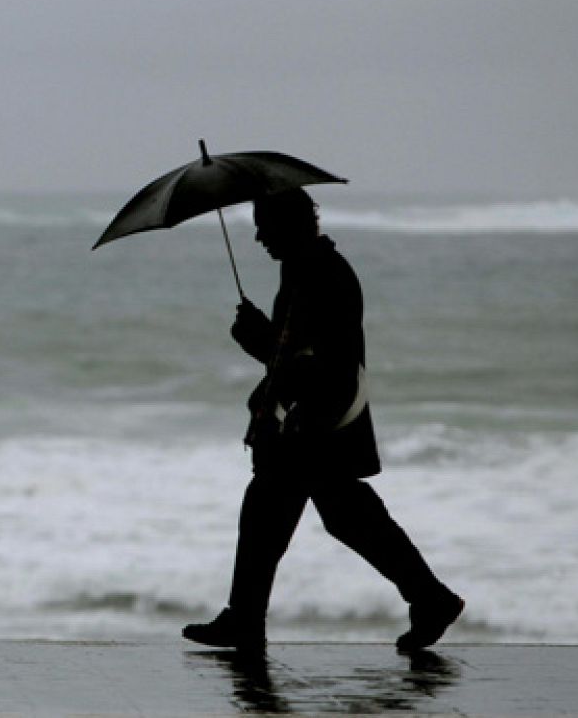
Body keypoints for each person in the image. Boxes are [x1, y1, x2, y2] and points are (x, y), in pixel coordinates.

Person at [182, 188, 464, 651]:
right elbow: (298, 351)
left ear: (289, 225)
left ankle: (247, 620)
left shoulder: (324, 275)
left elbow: (319, 365)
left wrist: (260, 341)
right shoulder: (306, 269)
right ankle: (428, 598)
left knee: (297, 512)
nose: (258, 238)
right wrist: (266, 340)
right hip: (313, 420)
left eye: (264, 226)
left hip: (318, 422)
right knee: (321, 513)